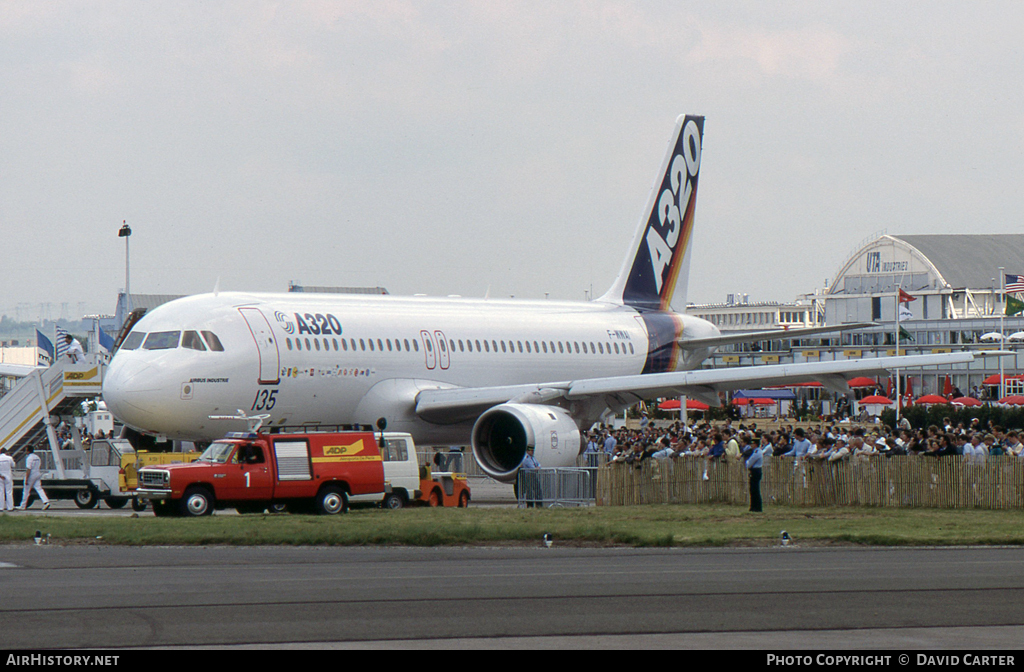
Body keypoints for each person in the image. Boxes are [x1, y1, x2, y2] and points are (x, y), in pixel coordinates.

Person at [18, 445, 50, 510]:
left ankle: (23, 506)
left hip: (31, 474)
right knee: (39, 488)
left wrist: (26, 479)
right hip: (37, 473)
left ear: (28, 450)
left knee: (26, 491)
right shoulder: (37, 457)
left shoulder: (29, 458)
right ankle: (46, 501)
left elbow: (28, 469)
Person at [745, 437, 764, 512]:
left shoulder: (757, 452)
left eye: (752, 444)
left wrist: (747, 463)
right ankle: (753, 506)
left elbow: (750, 462)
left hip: (756, 470)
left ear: (755, 444)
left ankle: (757, 507)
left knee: (755, 489)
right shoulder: (755, 451)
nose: (751, 445)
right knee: (753, 489)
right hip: (755, 471)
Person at [0, 447, 14, 512]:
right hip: (8, 476)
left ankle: (1, 507)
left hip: (0, 476)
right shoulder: (9, 458)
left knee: (1, 492)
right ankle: (10, 507)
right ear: (6, 452)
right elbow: (13, 465)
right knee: (9, 492)